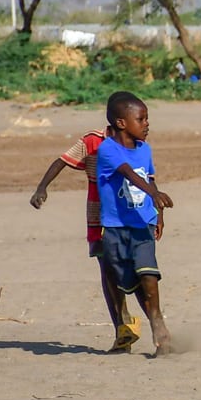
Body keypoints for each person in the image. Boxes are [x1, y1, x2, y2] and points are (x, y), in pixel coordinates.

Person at [28, 118, 140, 352]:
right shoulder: (92, 141)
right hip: (98, 216)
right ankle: (122, 329)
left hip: (127, 215)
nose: (143, 123)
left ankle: (146, 324)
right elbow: (62, 160)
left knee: (134, 269)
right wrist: (42, 187)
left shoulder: (135, 140)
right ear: (119, 120)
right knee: (107, 270)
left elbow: (146, 175)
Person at [95, 92, 174, 356]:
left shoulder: (146, 150)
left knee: (149, 274)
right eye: (141, 119)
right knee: (124, 281)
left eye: (147, 118)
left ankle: (159, 328)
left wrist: (159, 212)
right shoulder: (107, 149)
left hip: (143, 225)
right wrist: (153, 194)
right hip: (116, 228)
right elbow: (127, 172)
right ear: (121, 123)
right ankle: (127, 326)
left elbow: (149, 179)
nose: (147, 124)